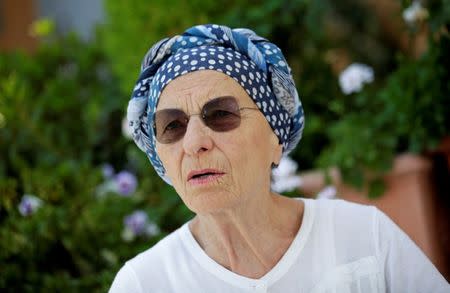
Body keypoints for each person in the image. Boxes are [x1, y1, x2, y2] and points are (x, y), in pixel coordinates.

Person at [110, 24, 449, 292]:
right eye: (173, 126)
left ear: (275, 139)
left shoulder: (363, 237)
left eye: (221, 115)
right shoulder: (143, 284)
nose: (194, 143)